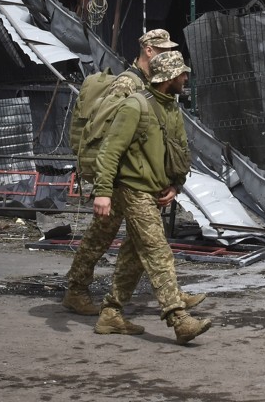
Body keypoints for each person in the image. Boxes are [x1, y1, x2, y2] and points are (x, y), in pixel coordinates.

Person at [62, 29, 205, 317]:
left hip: (136, 176)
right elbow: (106, 129)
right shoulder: (128, 83)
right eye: (163, 50)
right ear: (149, 50)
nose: (168, 55)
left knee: (142, 239)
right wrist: (106, 183)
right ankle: (76, 290)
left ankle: (156, 297)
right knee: (104, 235)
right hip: (119, 178)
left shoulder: (154, 84)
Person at [92, 50, 212, 344]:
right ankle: (178, 319)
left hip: (155, 192)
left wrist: (175, 184)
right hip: (133, 191)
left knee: (134, 255)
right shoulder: (135, 107)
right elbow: (110, 151)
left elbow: (179, 151)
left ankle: (111, 313)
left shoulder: (171, 107)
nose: (186, 78)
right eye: (182, 73)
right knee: (158, 252)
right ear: (168, 77)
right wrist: (103, 193)